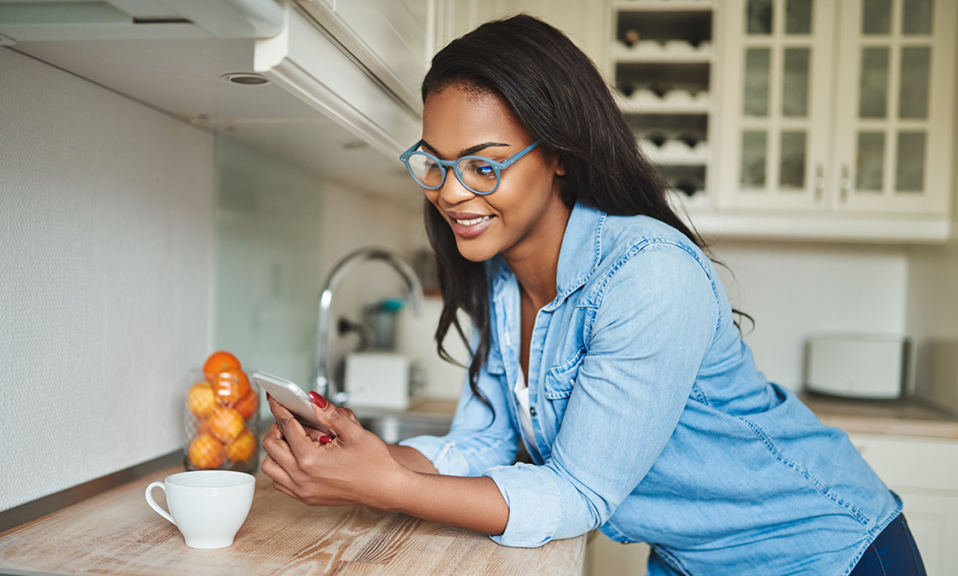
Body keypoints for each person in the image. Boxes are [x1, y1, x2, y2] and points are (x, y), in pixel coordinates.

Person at [261, 14, 926, 576]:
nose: (452, 192)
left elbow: (578, 493)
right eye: (436, 163)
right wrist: (364, 457)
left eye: (484, 166)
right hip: (692, 559)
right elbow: (478, 446)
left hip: (823, 551)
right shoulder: (502, 278)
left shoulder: (647, 275)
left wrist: (390, 486)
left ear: (558, 155)